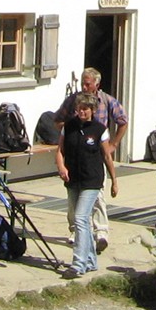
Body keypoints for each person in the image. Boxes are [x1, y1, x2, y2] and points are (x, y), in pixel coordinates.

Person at [56, 69, 127, 250]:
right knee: (73, 199)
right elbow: (57, 120)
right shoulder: (74, 100)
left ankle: (101, 232)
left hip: (97, 153)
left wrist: (114, 144)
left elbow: (123, 121)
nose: (84, 87)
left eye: (88, 84)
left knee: (97, 196)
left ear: (97, 84)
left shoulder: (107, 100)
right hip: (76, 156)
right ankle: (76, 231)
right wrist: (70, 133)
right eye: (83, 83)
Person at [56, 93, 117, 276]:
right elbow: (60, 150)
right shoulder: (69, 127)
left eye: (85, 109)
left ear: (92, 110)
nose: (81, 112)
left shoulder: (99, 129)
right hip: (73, 179)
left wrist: (114, 180)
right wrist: (61, 167)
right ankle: (90, 260)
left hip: (92, 180)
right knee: (79, 219)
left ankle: (78, 263)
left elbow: (107, 156)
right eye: (79, 108)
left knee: (81, 218)